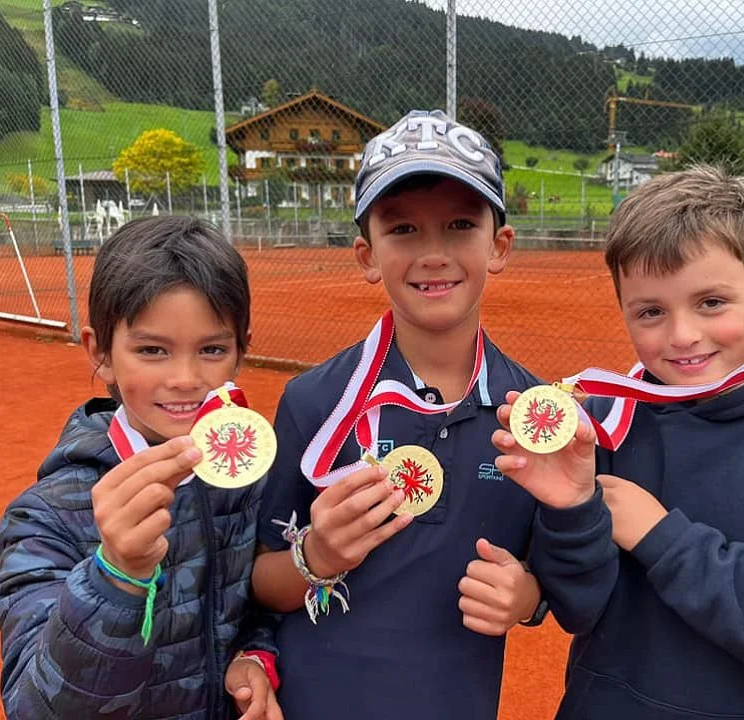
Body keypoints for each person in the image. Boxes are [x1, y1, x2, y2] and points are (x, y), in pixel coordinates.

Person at [493, 165, 744, 719]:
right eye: (652, 312)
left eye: (711, 302)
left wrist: (662, 537)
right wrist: (572, 509)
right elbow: (578, 607)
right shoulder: (608, 421)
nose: (682, 335)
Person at [251, 110, 612, 720]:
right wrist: (316, 557)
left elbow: (567, 589)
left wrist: (526, 596)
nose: (434, 253)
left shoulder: (533, 420)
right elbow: (260, 581)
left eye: (460, 225)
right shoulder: (314, 403)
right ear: (367, 255)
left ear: (498, 246)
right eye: (404, 230)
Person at [0, 216, 283, 720]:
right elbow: (35, 707)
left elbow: (257, 604)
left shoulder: (248, 483)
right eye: (152, 350)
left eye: (212, 350)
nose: (186, 379)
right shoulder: (46, 518)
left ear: (241, 351)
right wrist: (115, 575)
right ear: (100, 353)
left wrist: (254, 656)